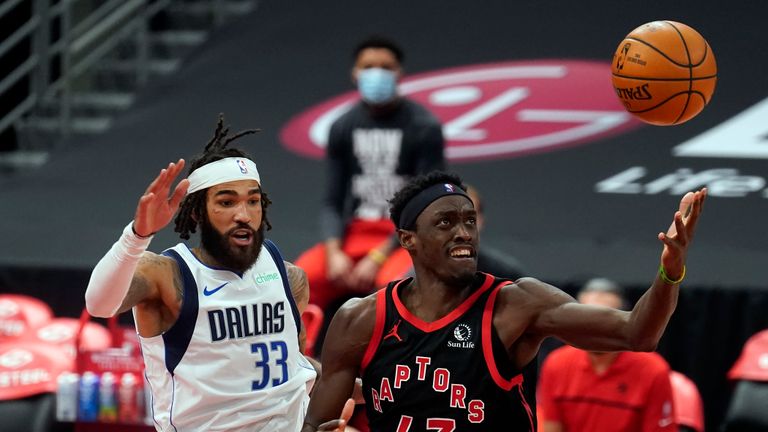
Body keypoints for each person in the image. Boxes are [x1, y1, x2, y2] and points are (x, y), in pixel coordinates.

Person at [300, 171, 706, 432]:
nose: (463, 232)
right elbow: (317, 423)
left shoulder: (516, 304)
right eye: (446, 223)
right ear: (408, 239)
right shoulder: (361, 318)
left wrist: (670, 269)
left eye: (469, 220)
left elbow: (638, 333)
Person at [85, 115, 325, 431]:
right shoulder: (168, 276)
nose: (243, 214)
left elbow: (297, 370)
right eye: (226, 202)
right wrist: (137, 236)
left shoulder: (288, 278)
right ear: (198, 212)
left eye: (253, 201)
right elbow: (99, 305)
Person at [295, 35, 445, 318]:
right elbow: (333, 200)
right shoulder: (342, 126)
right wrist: (333, 251)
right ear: (355, 73)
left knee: (397, 290)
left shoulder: (424, 127)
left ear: (400, 73)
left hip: (404, 236)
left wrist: (378, 257)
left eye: (386, 67)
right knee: (299, 281)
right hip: (355, 234)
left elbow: (427, 204)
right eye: (368, 66)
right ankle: (305, 357)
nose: (376, 73)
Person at [536, 278, 677, 432]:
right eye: (585, 319)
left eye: (603, 320)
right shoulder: (557, 364)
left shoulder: (653, 370)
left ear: (624, 322)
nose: (594, 328)